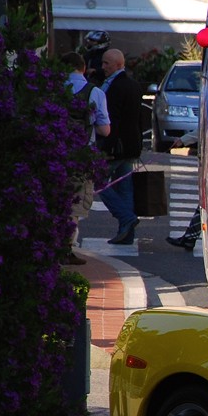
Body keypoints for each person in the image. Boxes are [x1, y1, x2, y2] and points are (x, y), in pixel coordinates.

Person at [63, 51, 112, 264]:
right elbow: (104, 130)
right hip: (81, 155)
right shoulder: (95, 93)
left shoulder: (52, 89)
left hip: (52, 152)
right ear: (83, 68)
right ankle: (66, 248)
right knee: (75, 204)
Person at [99, 48, 144, 245]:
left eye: (106, 63)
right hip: (131, 145)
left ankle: (126, 218)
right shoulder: (133, 85)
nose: (103, 67)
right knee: (124, 187)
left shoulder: (115, 87)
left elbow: (112, 120)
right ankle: (127, 233)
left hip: (116, 147)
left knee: (98, 181)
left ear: (118, 64)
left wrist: (105, 148)